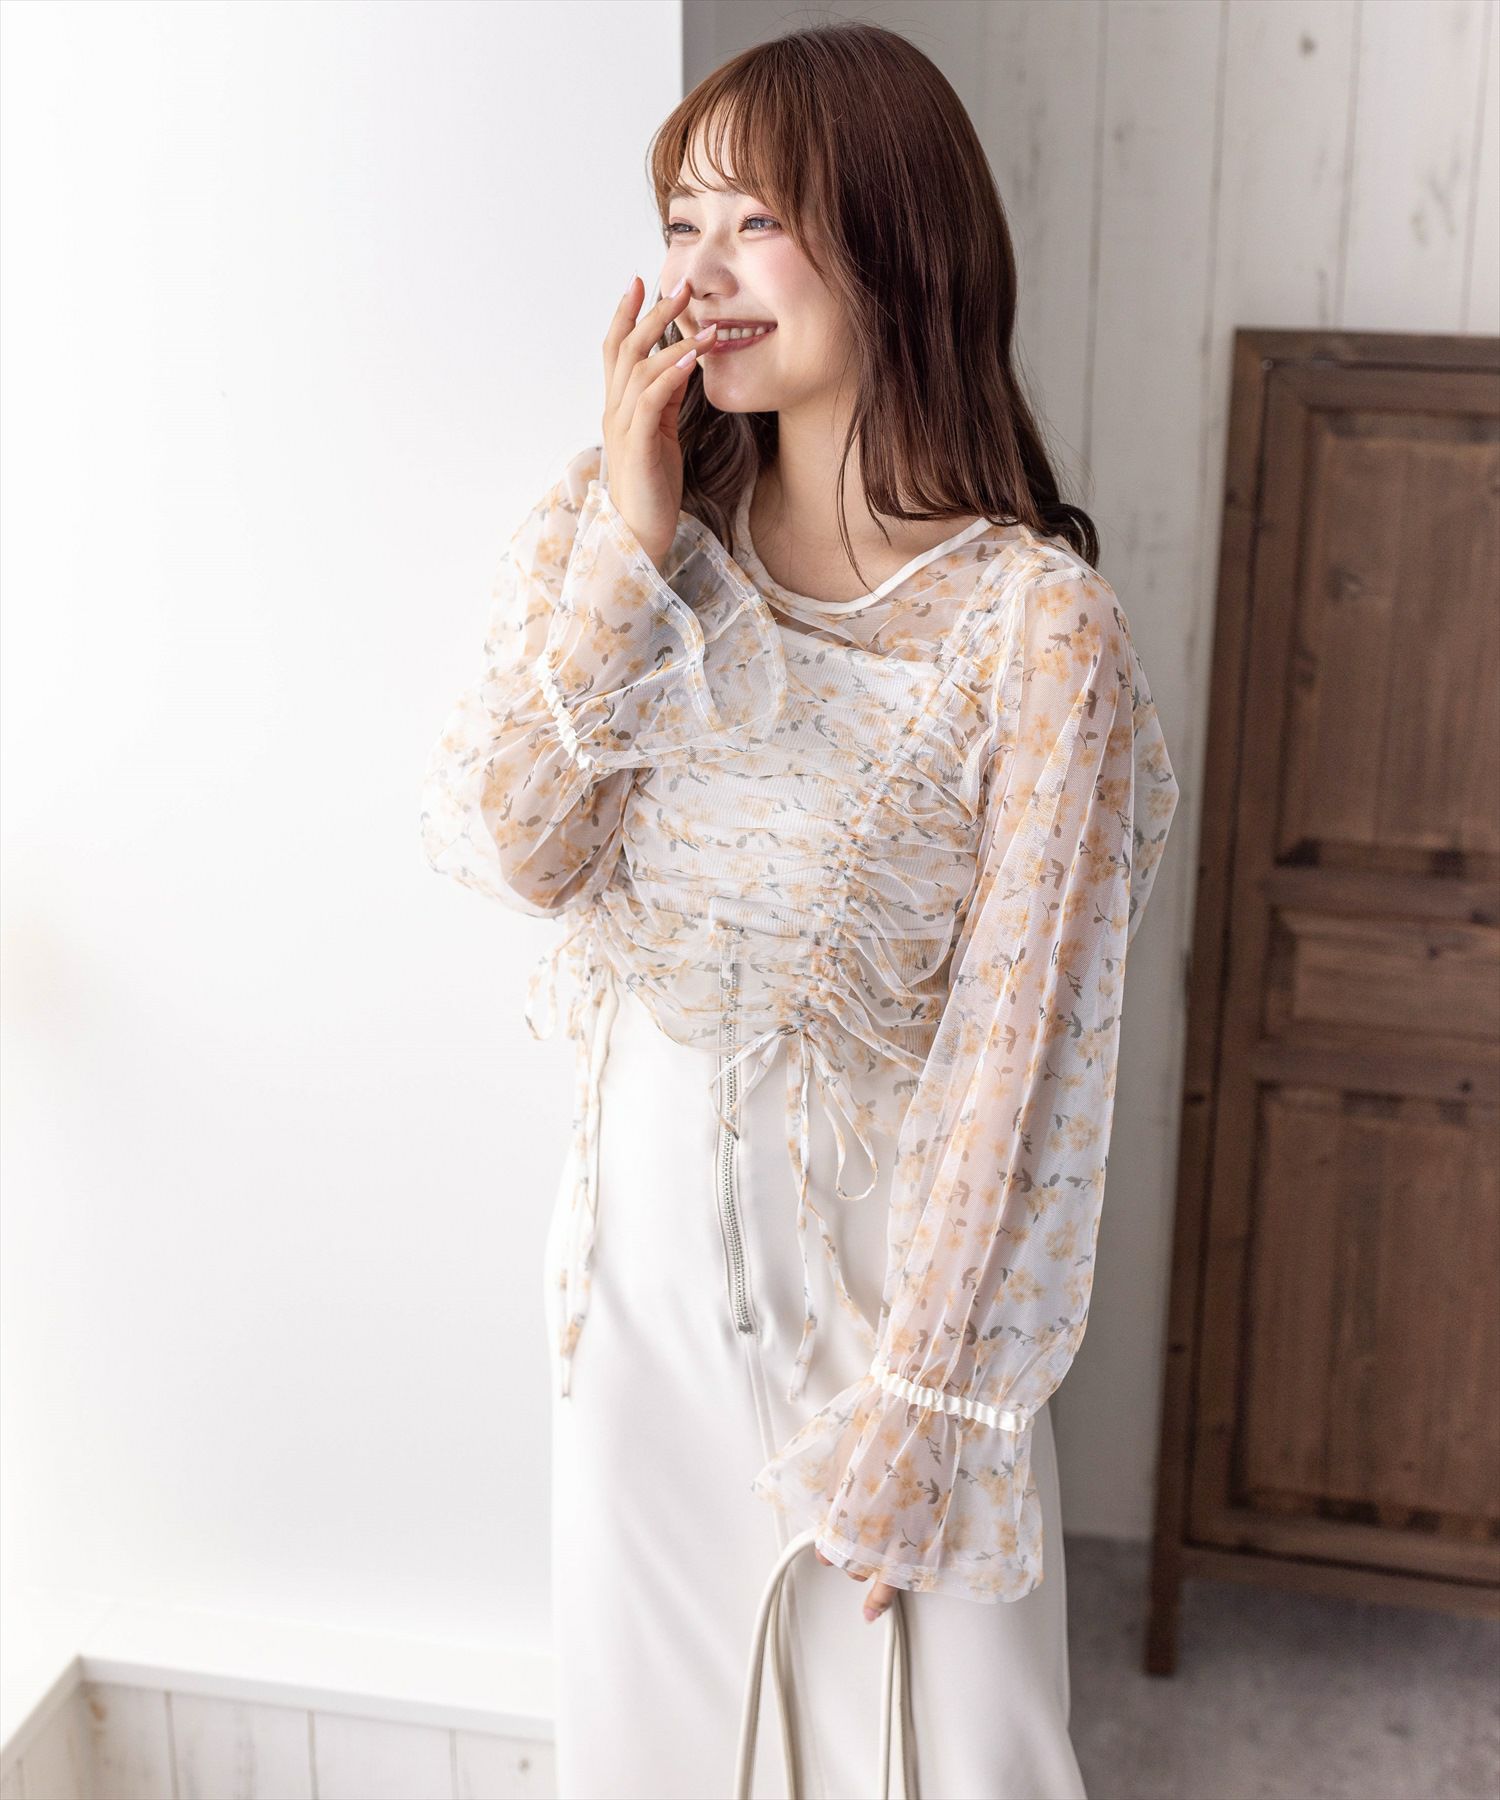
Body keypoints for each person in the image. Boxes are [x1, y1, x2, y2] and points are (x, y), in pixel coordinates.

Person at [419, 20, 1180, 1800]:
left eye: (753, 222)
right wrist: (629, 541)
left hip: (883, 1351)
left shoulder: (1034, 630)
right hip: (635, 1319)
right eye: (679, 226)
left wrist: (924, 1418)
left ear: (899, 238)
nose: (700, 274)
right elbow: (522, 845)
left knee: (949, 1764)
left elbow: (1021, 1072)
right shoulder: (630, 530)